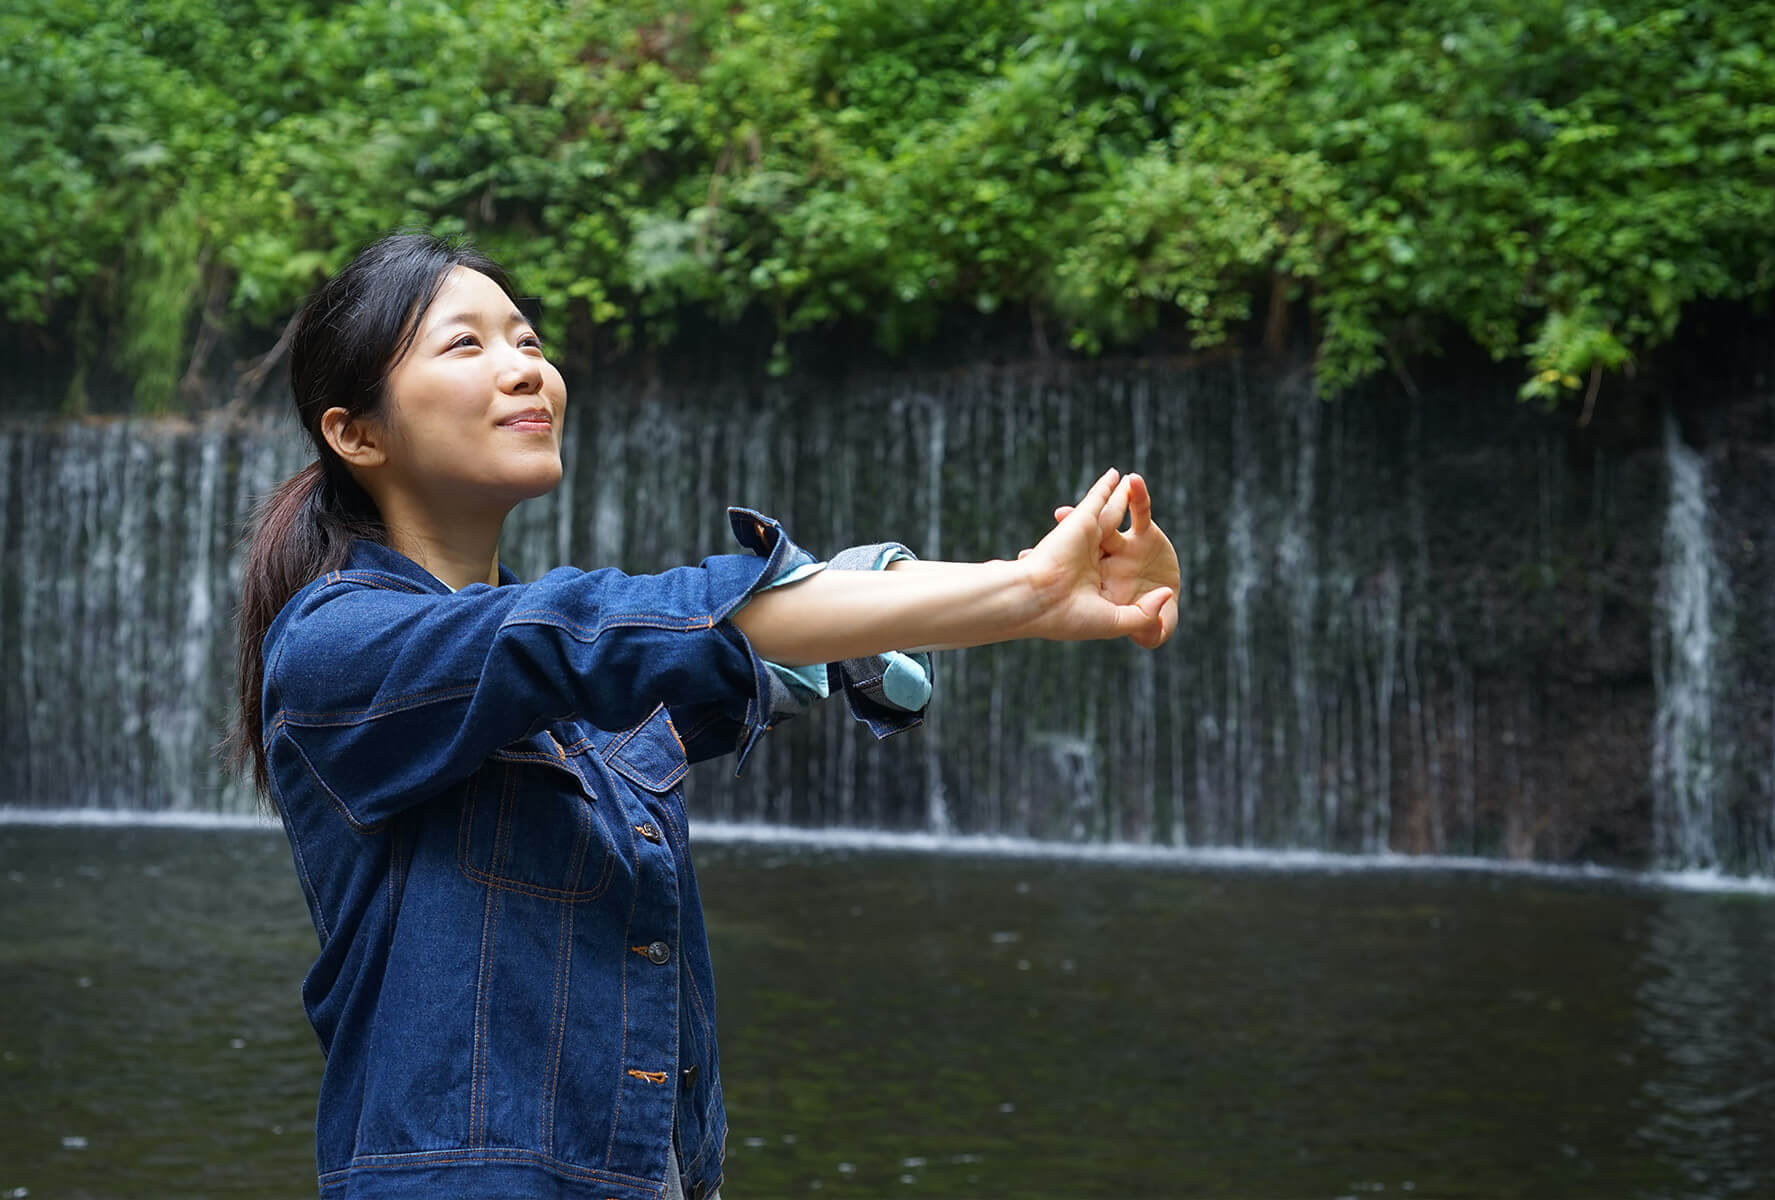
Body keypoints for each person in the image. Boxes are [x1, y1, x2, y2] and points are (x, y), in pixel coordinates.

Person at [230, 231, 1180, 1200]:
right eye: (466, 346)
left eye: (528, 340)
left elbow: (728, 650)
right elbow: (590, 633)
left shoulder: (583, 712)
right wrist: (1023, 593)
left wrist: (1027, 596)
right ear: (357, 433)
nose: (525, 370)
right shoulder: (333, 650)